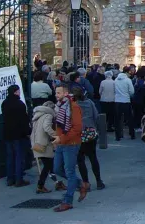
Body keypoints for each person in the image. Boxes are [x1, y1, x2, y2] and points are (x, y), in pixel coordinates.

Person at [52, 84, 87, 212]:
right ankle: (80, 184)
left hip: (71, 144)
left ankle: (68, 201)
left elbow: (77, 129)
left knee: (69, 171)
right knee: (57, 168)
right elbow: (59, 126)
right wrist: (58, 138)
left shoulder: (74, 107)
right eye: (56, 93)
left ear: (66, 93)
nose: (57, 95)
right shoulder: (60, 107)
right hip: (62, 142)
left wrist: (60, 138)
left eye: (59, 93)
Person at [71, 87, 105, 191]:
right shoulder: (89, 103)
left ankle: (86, 183)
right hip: (90, 131)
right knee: (92, 157)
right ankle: (99, 181)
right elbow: (96, 116)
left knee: (80, 159)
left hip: (78, 134)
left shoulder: (72, 105)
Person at [2, 84, 30, 187]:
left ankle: (10, 179)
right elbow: (24, 120)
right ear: (15, 92)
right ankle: (19, 179)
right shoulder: (20, 104)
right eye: (18, 91)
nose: (19, 92)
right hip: (18, 134)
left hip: (8, 133)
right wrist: (28, 132)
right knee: (19, 157)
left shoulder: (4, 103)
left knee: (10, 156)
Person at [31, 101, 61, 194]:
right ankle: (40, 186)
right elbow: (46, 127)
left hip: (36, 142)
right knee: (49, 165)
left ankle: (55, 183)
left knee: (48, 165)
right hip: (44, 143)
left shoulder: (37, 115)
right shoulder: (48, 115)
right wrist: (56, 135)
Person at [114, 70, 136, 141]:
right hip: (126, 100)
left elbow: (114, 90)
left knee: (117, 119)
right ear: (126, 74)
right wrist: (128, 95)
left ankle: (118, 136)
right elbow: (132, 91)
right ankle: (132, 134)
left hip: (117, 101)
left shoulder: (116, 80)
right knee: (129, 119)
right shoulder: (128, 80)